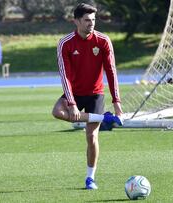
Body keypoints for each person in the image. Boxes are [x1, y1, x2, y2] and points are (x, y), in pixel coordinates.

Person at [52, 3, 123, 190]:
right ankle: (104, 118)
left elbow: (111, 72)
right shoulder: (65, 43)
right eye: (86, 20)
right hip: (74, 92)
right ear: (75, 21)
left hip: (95, 94)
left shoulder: (103, 41)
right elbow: (64, 75)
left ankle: (90, 178)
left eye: (93, 20)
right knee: (57, 112)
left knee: (91, 136)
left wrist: (117, 102)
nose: (91, 23)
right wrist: (72, 103)